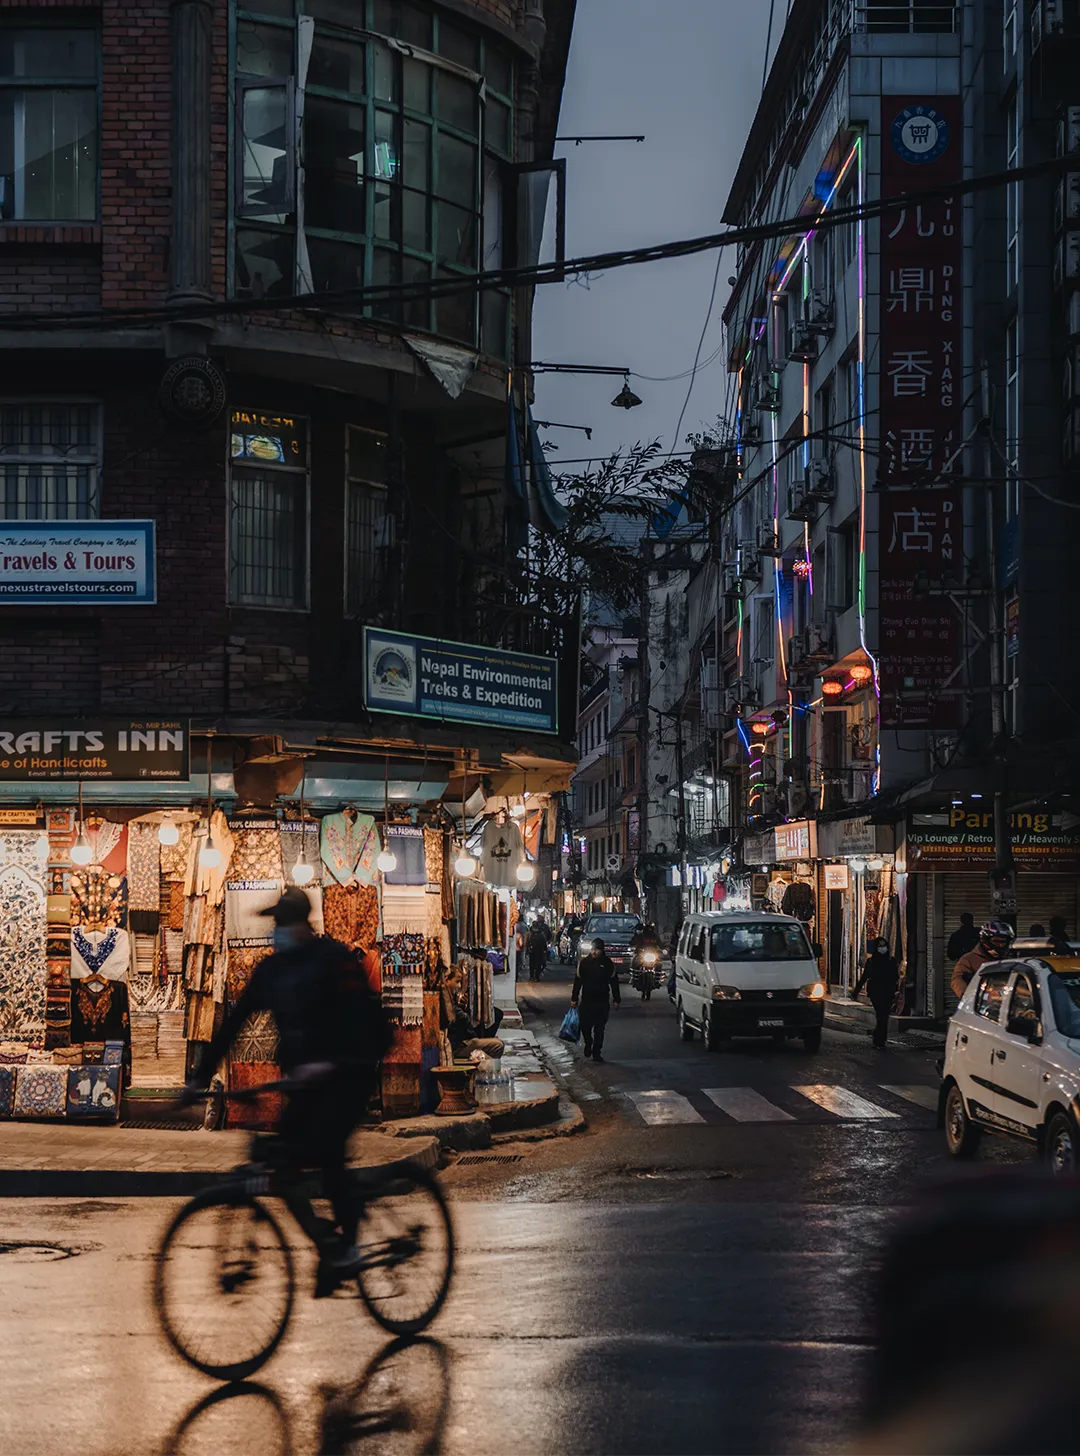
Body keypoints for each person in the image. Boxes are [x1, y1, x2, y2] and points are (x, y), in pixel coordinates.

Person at [180, 888, 390, 1297]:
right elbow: (234, 1023)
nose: (279, 932)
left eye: (284, 925)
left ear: (300, 925)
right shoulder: (273, 972)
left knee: (328, 1156)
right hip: (306, 1085)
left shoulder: (334, 961)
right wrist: (198, 1079)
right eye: (276, 925)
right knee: (281, 1162)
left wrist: (332, 1061)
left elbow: (361, 1022)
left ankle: (346, 1246)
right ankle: (326, 1243)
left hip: (349, 1077)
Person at [571, 937, 620, 1062]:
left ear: (602, 950)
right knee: (585, 1026)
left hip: (602, 1001)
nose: (594, 952)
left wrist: (616, 999)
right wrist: (574, 999)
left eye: (597, 950)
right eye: (593, 949)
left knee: (599, 1029)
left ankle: (597, 1053)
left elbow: (614, 982)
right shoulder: (584, 963)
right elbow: (578, 982)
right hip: (587, 1001)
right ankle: (588, 1043)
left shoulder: (608, 964)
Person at [950, 919, 1014, 1002]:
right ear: (985, 940)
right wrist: (978, 997)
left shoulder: (1010, 960)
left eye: (1004, 942)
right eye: (997, 942)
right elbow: (958, 981)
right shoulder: (968, 960)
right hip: (980, 1006)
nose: (1001, 945)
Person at [853, 938, 900, 1049]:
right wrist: (856, 991)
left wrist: (896, 990)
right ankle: (880, 1039)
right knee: (881, 1015)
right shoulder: (871, 961)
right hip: (876, 992)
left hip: (888, 992)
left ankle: (879, 1038)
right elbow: (865, 977)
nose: (882, 948)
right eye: (880, 946)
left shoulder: (891, 961)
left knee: (884, 1016)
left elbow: (895, 977)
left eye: (884, 945)